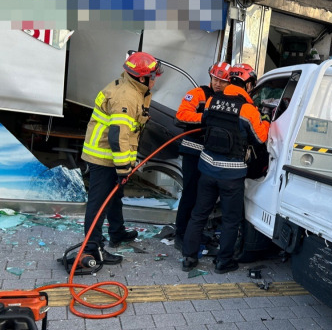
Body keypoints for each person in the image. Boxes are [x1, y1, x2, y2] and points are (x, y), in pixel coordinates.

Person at [182, 63, 271, 274]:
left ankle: (188, 257)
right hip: (231, 175)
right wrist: (265, 120)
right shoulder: (248, 110)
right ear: (248, 85)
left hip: (207, 169)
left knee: (199, 214)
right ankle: (223, 262)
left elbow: (204, 122)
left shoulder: (212, 100)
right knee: (231, 220)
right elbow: (260, 138)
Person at [80, 51, 163, 264]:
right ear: (142, 77)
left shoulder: (134, 89)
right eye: (152, 75)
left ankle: (117, 232)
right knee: (99, 204)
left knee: (115, 195)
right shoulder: (126, 96)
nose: (155, 78)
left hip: (109, 154)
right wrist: (124, 168)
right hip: (104, 155)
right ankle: (92, 249)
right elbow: (118, 136)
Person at [174, 62, 231, 251]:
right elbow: (181, 115)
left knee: (203, 199)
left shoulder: (228, 99)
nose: (218, 84)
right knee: (190, 194)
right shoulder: (198, 94)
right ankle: (181, 234)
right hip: (193, 151)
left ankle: (194, 233)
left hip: (210, 156)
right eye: (215, 79)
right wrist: (205, 118)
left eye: (222, 81)